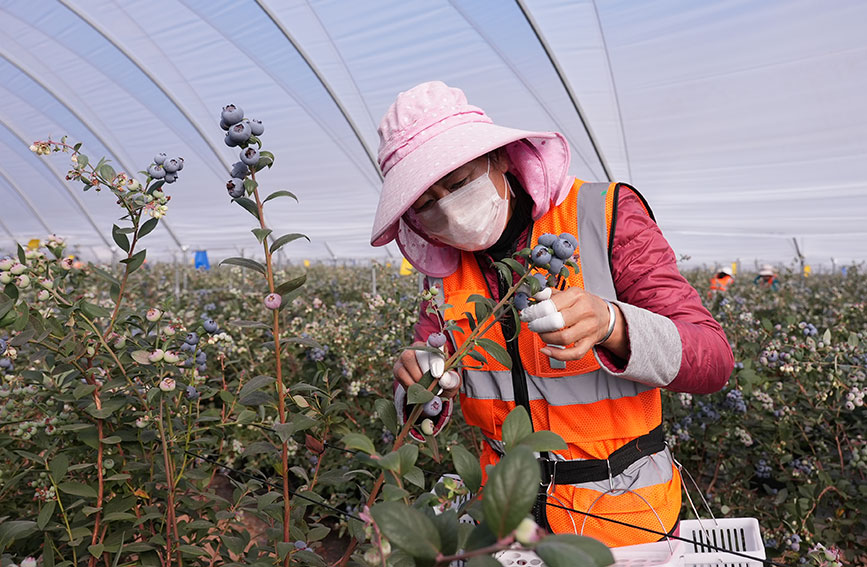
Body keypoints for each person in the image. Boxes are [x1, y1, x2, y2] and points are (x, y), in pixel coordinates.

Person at [370, 81, 733, 547]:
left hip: (623, 522)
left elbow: (714, 359)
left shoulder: (603, 215)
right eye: (426, 202)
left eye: (459, 184)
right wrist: (417, 384)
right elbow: (430, 372)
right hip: (506, 522)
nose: (449, 210)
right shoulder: (443, 271)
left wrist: (612, 325)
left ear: (498, 158)